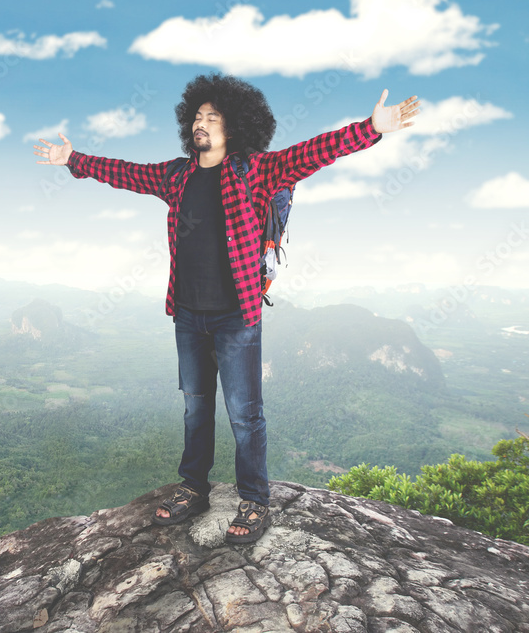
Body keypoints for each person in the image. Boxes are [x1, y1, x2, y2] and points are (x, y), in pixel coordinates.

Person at [33, 74, 420, 543]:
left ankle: (255, 501)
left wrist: (371, 128)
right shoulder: (176, 175)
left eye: (212, 117)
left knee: (244, 414)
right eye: (197, 116)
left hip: (237, 316)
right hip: (188, 314)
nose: (201, 123)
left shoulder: (254, 170)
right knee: (196, 409)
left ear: (233, 127)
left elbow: (315, 151)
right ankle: (193, 488)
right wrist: (72, 159)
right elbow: (125, 171)